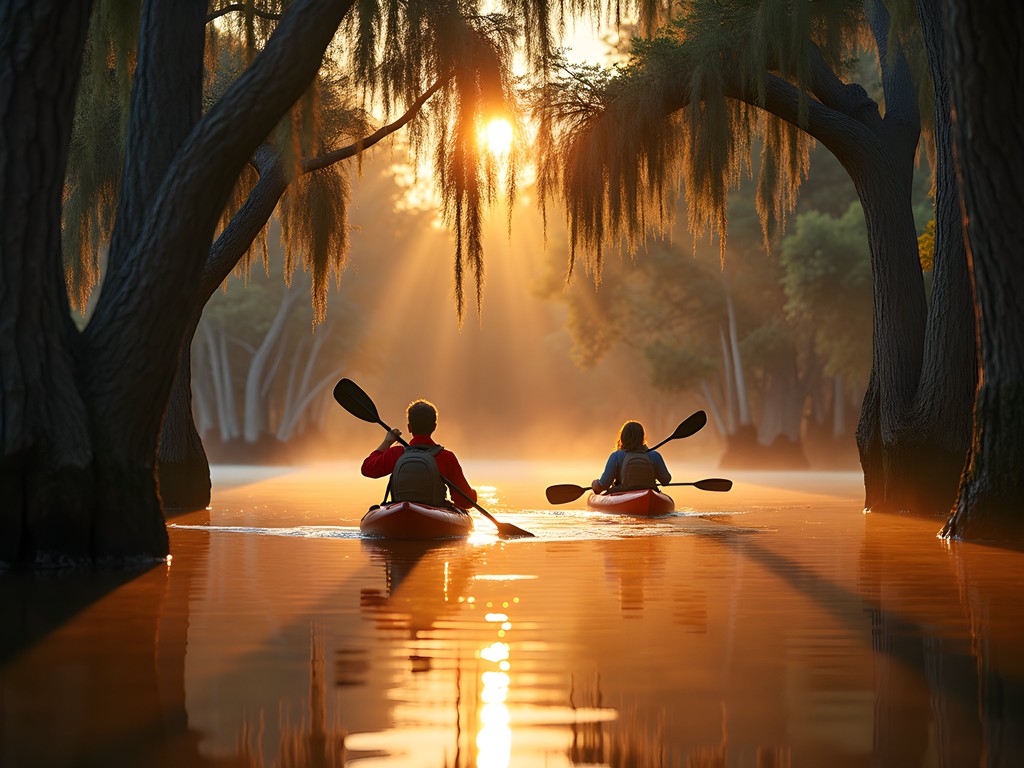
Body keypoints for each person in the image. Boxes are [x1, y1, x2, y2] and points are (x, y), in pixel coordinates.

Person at [361, 399, 478, 510]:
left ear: (409, 428)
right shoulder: (446, 457)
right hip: (434, 516)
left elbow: (367, 469)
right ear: (434, 427)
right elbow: (465, 502)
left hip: (399, 514)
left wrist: (387, 442)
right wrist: (473, 493)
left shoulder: (396, 453)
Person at [592, 420, 671, 494]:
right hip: (649, 493)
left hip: (623, 495)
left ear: (622, 437)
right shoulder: (654, 455)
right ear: (642, 437)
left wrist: (594, 484)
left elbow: (603, 485)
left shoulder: (616, 456)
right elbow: (665, 481)